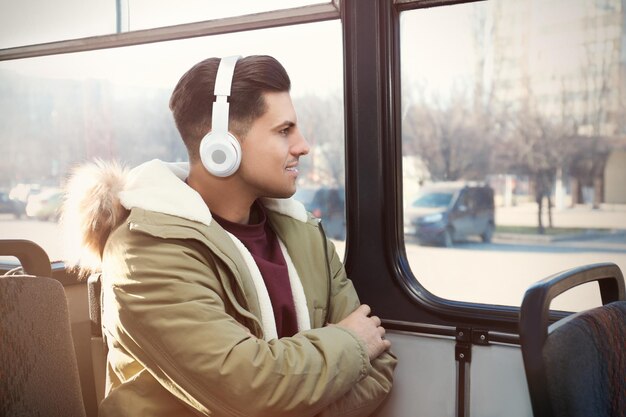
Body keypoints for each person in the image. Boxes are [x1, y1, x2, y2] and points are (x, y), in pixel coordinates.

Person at [61, 55, 396, 417]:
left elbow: (379, 366)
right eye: (285, 131)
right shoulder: (143, 253)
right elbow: (251, 392)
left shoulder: (306, 235)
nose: (302, 146)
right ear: (221, 147)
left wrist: (347, 356)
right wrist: (351, 344)